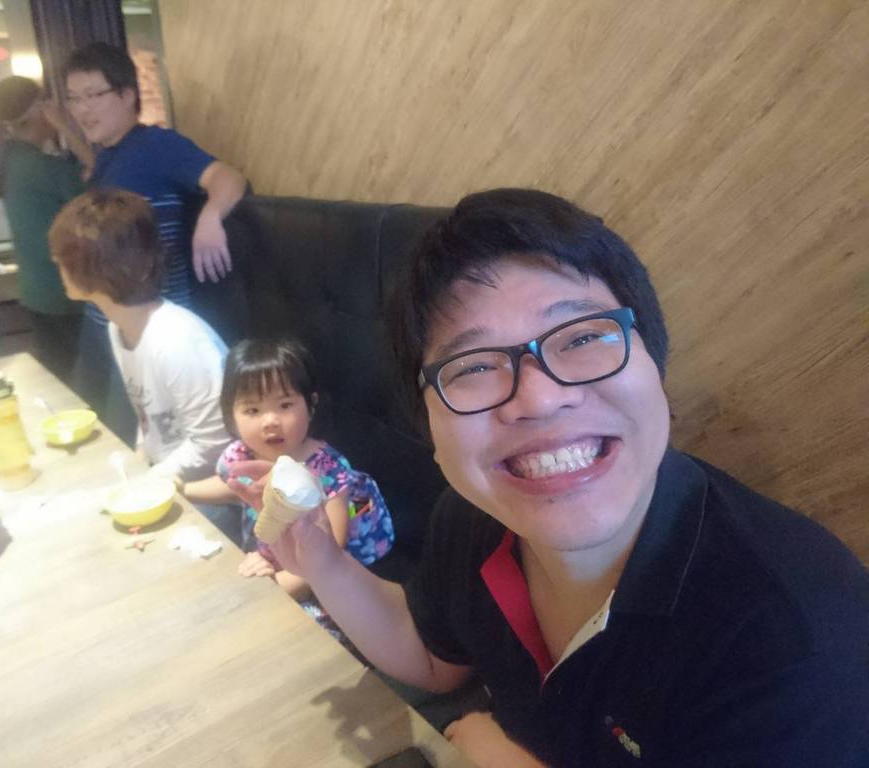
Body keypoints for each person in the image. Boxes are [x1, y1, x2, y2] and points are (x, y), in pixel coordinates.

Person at [264, 188, 869, 767]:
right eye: (472, 366)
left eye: (581, 337)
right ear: (428, 425)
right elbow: (430, 656)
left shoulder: (798, 646)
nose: (541, 397)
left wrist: (497, 754)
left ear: (653, 362)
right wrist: (320, 558)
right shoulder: (475, 516)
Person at [62, 41, 247, 444]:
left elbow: (228, 178)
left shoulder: (156, 145)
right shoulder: (105, 157)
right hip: (107, 325)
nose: (81, 109)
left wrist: (210, 217)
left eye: (93, 95)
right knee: (94, 432)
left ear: (128, 94)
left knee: (133, 440)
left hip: (152, 331)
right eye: (73, 98)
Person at [180, 337, 395, 622]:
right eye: (252, 410)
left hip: (322, 571)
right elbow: (233, 487)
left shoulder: (327, 469)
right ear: (231, 413)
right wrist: (182, 489)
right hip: (269, 556)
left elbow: (331, 549)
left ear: (311, 405)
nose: (270, 421)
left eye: (284, 405)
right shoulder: (241, 455)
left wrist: (271, 588)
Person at [48, 188, 230, 487]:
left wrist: (148, 481)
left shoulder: (176, 341)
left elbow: (215, 444)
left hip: (208, 493)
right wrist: (139, 463)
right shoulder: (118, 327)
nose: (56, 261)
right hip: (169, 478)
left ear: (98, 265)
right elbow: (149, 419)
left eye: (62, 257)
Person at [0, 75, 93, 386]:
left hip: (36, 290)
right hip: (65, 291)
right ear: (36, 111)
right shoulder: (40, 166)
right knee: (86, 381)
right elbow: (97, 173)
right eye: (47, 103)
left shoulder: (11, 161)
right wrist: (65, 127)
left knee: (57, 375)